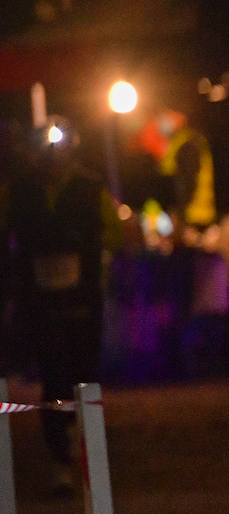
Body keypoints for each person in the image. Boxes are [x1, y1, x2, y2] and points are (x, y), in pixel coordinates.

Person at [0, 118, 121, 494]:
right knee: (53, 372)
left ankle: (89, 449)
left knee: (85, 372)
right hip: (39, 299)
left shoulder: (90, 186)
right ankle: (60, 458)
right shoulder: (18, 191)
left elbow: (113, 235)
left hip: (82, 296)